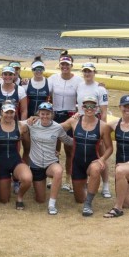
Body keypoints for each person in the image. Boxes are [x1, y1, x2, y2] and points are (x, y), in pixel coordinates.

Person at [59, 96, 113, 216]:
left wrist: (102, 159)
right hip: (77, 164)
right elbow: (57, 127)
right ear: (82, 108)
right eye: (86, 106)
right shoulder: (74, 121)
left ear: (97, 108)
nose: (89, 108)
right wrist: (37, 121)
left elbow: (110, 148)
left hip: (93, 161)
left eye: (92, 106)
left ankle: (88, 203)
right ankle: (88, 188)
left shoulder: (102, 126)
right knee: (79, 199)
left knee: (96, 169)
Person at [23, 102, 73, 215]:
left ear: (52, 114)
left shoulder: (57, 127)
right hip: (36, 164)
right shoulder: (32, 123)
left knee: (58, 171)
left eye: (48, 114)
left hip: (51, 163)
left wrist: (82, 141)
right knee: (40, 199)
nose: (45, 116)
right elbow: (16, 124)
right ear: (38, 114)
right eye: (42, 114)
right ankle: (39, 186)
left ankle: (52, 205)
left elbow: (68, 141)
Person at [48, 55, 83, 192]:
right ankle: (52, 177)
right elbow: (43, 88)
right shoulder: (53, 78)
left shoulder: (78, 80)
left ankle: (68, 180)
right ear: (59, 65)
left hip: (70, 116)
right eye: (62, 64)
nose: (64, 67)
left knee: (70, 150)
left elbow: (86, 92)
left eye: (67, 64)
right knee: (54, 149)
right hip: (55, 115)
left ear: (71, 66)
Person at [75, 62, 111, 197]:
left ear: (94, 73)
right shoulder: (79, 86)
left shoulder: (100, 89)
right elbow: (78, 107)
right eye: (85, 71)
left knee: (101, 156)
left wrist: (102, 131)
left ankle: (106, 185)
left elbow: (104, 111)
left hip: (96, 125)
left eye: (89, 71)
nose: (87, 74)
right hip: (82, 123)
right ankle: (83, 182)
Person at [0, 102, 33, 209]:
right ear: (1, 112)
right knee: (4, 200)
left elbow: (27, 147)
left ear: (15, 113)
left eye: (11, 112)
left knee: (27, 179)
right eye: (6, 112)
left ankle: (19, 198)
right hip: (0, 164)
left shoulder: (21, 126)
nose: (9, 115)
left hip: (15, 161)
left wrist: (25, 161)